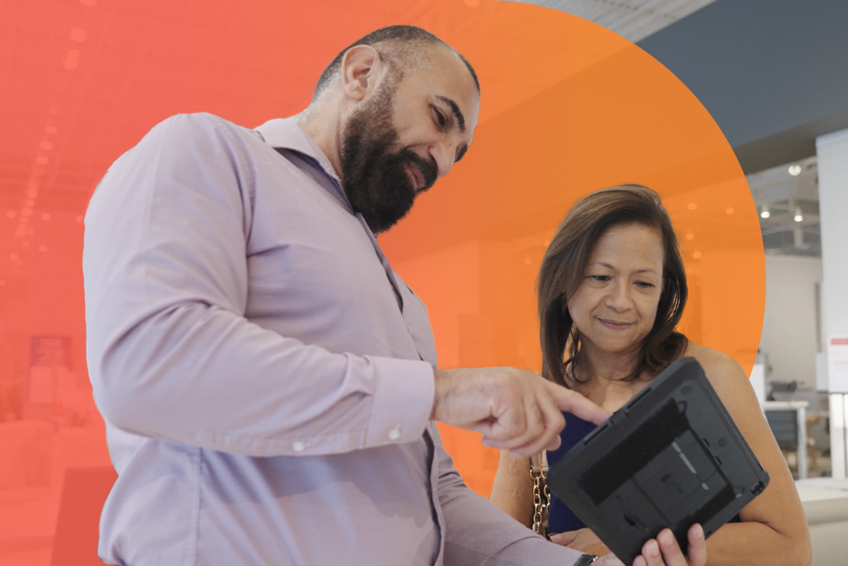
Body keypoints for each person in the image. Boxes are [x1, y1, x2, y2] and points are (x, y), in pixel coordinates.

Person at [83, 25, 703, 565]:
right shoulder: (209, 151)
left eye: (458, 152)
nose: (444, 162)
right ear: (360, 73)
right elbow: (150, 363)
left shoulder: (398, 295)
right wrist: (441, 389)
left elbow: (433, 504)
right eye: (440, 118)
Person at [489, 186, 812, 566]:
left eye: (643, 283)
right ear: (563, 281)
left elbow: (790, 547)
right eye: (600, 277)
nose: (622, 300)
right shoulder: (539, 402)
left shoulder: (710, 378)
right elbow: (498, 550)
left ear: (664, 291)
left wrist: (622, 542)